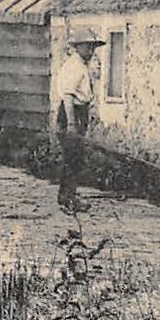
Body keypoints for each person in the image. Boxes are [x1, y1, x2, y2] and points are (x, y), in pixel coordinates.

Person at [54, 27, 105, 213]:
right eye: (87, 47)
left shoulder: (82, 65)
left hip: (79, 112)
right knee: (72, 158)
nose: (90, 52)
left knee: (75, 158)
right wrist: (71, 123)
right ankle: (67, 199)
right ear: (77, 47)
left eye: (93, 48)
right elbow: (67, 96)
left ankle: (69, 196)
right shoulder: (74, 66)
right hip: (71, 113)